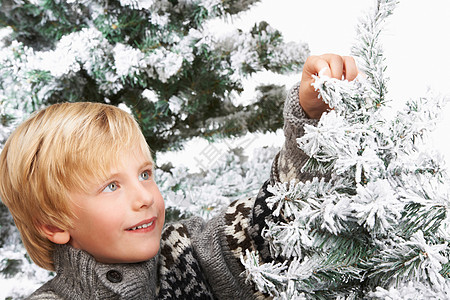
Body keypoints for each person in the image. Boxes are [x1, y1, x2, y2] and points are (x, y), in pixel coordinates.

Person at [0, 54, 357, 299]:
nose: (144, 197)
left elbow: (277, 217)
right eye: (111, 186)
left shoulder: (187, 254)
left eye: (144, 174)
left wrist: (312, 122)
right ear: (52, 225)